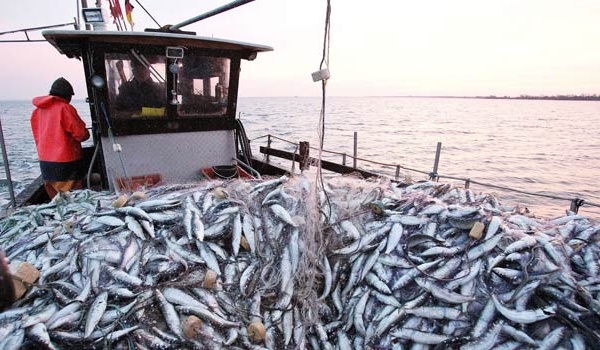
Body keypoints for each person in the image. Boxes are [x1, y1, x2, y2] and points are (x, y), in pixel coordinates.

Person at [30, 77, 91, 199]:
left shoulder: (37, 111)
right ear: (67, 95)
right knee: (74, 200)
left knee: (56, 201)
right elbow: (81, 134)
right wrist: (86, 133)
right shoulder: (65, 108)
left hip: (46, 164)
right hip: (66, 164)